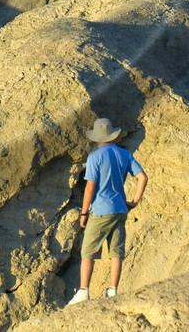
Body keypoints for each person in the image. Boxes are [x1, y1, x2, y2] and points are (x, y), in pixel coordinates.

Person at [68, 117, 147, 306]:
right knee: (116, 252)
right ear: (112, 135)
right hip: (120, 209)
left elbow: (90, 187)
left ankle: (83, 292)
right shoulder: (124, 155)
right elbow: (142, 178)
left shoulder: (95, 157)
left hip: (101, 210)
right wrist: (134, 202)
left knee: (88, 251)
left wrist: (84, 212)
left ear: (96, 137)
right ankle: (112, 291)